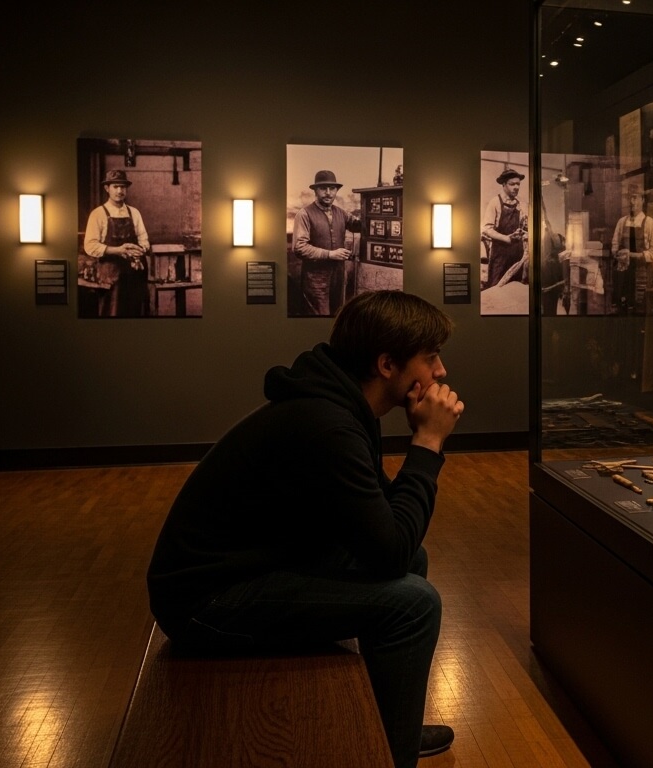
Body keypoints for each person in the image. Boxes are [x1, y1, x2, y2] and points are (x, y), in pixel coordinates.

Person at [146, 290, 464, 768]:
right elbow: (388, 552)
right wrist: (428, 444)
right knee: (415, 605)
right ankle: (392, 756)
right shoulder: (327, 423)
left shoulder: (342, 407)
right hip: (204, 602)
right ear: (386, 364)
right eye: (431, 357)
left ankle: (388, 722)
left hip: (251, 568)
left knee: (414, 565)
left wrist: (422, 448)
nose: (440, 372)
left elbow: (386, 531)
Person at [83, 169, 151, 317]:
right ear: (107, 188)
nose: (120, 191)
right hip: (112, 278)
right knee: (112, 313)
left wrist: (139, 251)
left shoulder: (134, 212)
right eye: (115, 187)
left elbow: (144, 239)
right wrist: (119, 250)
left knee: (136, 314)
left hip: (135, 275)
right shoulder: (98, 214)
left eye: (123, 187)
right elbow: (90, 245)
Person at [293, 170, 361, 316]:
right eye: (323, 188)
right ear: (315, 191)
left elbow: (358, 225)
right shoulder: (304, 214)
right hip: (316, 280)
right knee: (320, 316)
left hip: (338, 277)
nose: (328, 193)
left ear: (337, 190)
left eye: (332, 188)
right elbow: (299, 247)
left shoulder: (341, 213)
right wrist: (330, 254)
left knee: (338, 315)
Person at [609, 185, 653, 314]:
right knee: (622, 309)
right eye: (629, 198)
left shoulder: (650, 223)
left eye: (635, 198)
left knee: (639, 309)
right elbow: (614, 245)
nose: (631, 202)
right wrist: (618, 254)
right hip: (623, 275)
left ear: (642, 200)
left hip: (641, 275)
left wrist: (632, 255)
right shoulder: (622, 222)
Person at [481, 167, 528, 289]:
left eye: (518, 184)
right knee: (496, 287)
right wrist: (506, 238)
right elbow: (486, 228)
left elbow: (525, 226)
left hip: (517, 253)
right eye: (512, 184)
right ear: (504, 185)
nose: (516, 187)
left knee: (515, 287)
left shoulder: (520, 204)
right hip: (500, 254)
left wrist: (522, 232)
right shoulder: (495, 202)